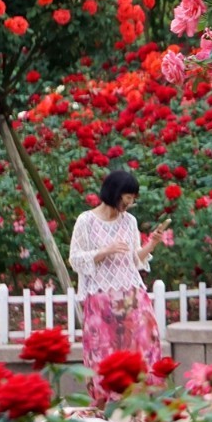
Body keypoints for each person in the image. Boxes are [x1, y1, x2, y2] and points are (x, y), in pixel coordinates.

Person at [68, 169, 170, 403]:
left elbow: (134, 260)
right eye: (127, 197)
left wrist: (152, 244)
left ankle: (141, 400)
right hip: (101, 297)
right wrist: (104, 251)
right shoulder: (86, 221)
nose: (130, 203)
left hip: (132, 294)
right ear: (114, 192)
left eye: (133, 198)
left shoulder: (129, 221)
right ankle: (106, 403)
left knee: (143, 344)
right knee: (103, 351)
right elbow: (75, 259)